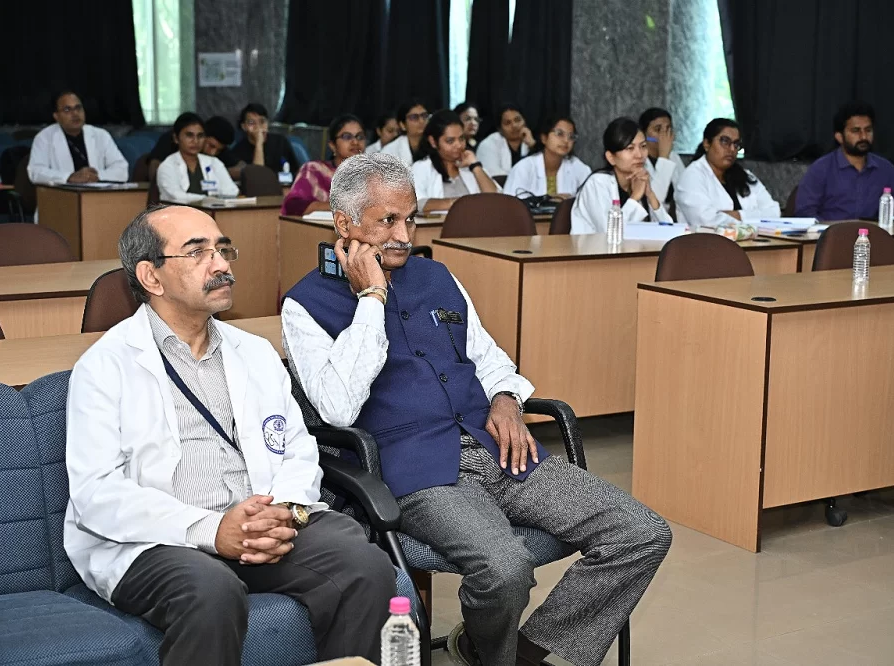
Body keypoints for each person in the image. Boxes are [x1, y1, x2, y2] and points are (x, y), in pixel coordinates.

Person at [281, 152, 672, 666]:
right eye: (387, 221)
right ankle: (496, 653)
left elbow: (489, 358)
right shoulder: (305, 305)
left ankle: (516, 652)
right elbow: (337, 407)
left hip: (497, 447)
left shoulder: (438, 276)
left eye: (411, 218)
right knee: (505, 569)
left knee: (642, 532)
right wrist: (371, 297)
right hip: (416, 472)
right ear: (343, 224)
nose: (404, 235)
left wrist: (507, 399)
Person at [64, 204, 396, 666]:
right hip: (159, 541)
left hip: (260, 526)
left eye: (222, 249)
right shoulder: (104, 367)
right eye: (197, 252)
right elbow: (97, 493)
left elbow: (298, 450)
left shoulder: (254, 353)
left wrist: (283, 513)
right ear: (151, 276)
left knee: (365, 566)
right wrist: (214, 530)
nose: (221, 264)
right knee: (211, 591)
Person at [794, 101, 894, 220]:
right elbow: (805, 213)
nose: (863, 137)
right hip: (830, 231)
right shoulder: (821, 169)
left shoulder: (885, 169)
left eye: (868, 130)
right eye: (856, 131)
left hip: (872, 231)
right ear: (839, 137)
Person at [571, 117, 674, 233]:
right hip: (594, 245)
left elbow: (668, 231)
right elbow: (610, 233)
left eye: (643, 146)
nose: (639, 155)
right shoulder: (597, 183)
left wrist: (650, 195)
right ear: (611, 157)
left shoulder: (639, 180)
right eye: (630, 148)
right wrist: (635, 197)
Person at [676, 118, 780, 229]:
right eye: (725, 141)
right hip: (707, 240)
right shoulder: (691, 176)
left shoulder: (745, 176)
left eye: (736, 144)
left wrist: (738, 215)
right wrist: (750, 219)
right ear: (707, 144)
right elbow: (706, 221)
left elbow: (774, 212)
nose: (732, 149)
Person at [28, 91, 128, 185]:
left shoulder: (101, 135)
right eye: (67, 110)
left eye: (78, 108)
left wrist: (94, 176)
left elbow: (122, 170)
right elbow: (35, 172)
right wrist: (69, 177)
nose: (75, 113)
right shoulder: (44, 138)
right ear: (56, 116)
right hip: (62, 195)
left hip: (97, 193)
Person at [411, 110, 498, 213]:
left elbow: (496, 198)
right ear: (433, 142)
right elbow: (416, 202)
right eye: (450, 141)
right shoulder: (421, 167)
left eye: (461, 139)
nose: (458, 145)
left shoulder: (469, 164)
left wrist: (475, 166)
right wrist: (460, 203)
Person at [281, 114, 366, 216]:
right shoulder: (314, 170)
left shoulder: (372, 175)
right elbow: (292, 206)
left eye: (360, 137)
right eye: (347, 137)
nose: (355, 142)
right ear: (332, 145)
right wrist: (339, 208)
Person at [157, 113, 239, 204]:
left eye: (200, 136)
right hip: (179, 212)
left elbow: (232, 191)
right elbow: (176, 197)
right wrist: (209, 199)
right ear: (176, 138)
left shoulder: (214, 162)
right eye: (189, 135)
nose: (195, 141)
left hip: (213, 211)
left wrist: (213, 200)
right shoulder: (168, 166)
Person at [503, 114, 590, 199]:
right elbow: (509, 204)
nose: (566, 140)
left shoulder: (579, 168)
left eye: (571, 136)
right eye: (559, 134)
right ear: (544, 138)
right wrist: (548, 200)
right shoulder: (523, 168)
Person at [148, 116, 244, 182]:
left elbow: (242, 168)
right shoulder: (173, 139)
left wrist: (217, 172)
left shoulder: (218, 149)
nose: (213, 153)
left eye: (218, 150)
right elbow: (154, 168)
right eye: (211, 146)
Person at [231, 103, 300, 175]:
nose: (258, 127)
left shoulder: (280, 141)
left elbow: (296, 170)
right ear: (244, 126)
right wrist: (259, 143)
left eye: (262, 122)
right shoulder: (238, 151)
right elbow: (257, 175)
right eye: (251, 123)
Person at [638, 107, 686, 204]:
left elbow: (686, 190)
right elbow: (654, 200)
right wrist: (664, 157)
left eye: (668, 129)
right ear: (644, 134)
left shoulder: (674, 157)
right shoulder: (638, 160)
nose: (664, 135)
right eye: (658, 129)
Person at [476, 105, 534, 177]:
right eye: (507, 123)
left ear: (525, 121)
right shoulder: (488, 145)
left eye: (517, 120)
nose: (514, 125)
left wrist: (533, 145)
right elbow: (494, 176)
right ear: (500, 129)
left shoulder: (531, 140)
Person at [379, 99, 429, 167]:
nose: (421, 121)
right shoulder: (389, 152)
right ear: (402, 125)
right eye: (414, 117)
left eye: (424, 116)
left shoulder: (436, 142)